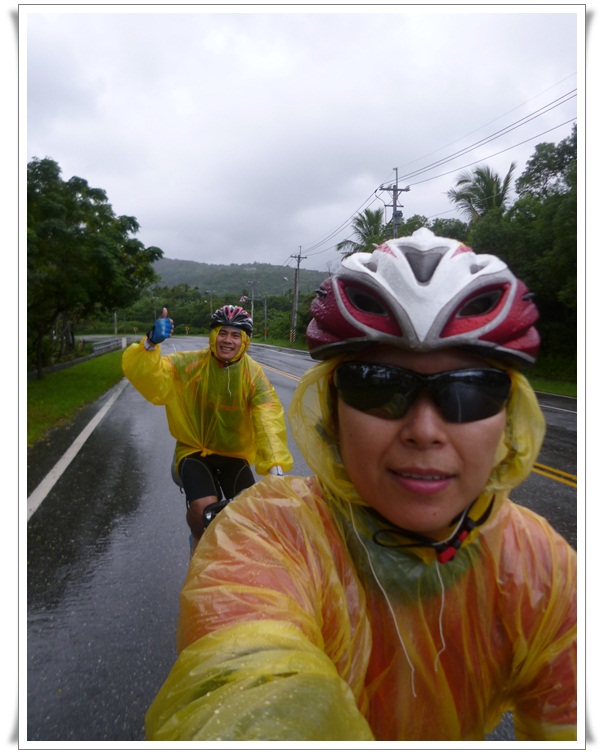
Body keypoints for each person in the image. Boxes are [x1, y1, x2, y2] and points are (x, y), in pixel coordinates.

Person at [144, 228, 577, 741]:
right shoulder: (267, 536)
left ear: (510, 418)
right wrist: (147, 350)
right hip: (195, 450)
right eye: (378, 385)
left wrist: (277, 459)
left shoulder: (541, 570)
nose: (424, 432)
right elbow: (244, 688)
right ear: (330, 412)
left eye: (470, 391)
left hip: (236, 455)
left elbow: (265, 413)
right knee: (207, 512)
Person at [122, 304, 293, 551]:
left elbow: (268, 419)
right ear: (213, 336)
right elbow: (152, 375)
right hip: (194, 450)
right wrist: (150, 343)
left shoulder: (254, 376)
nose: (228, 340)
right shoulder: (190, 364)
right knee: (203, 508)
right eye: (222, 333)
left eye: (236, 335)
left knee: (250, 515)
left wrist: (276, 471)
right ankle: (198, 540)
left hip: (234, 455)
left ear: (245, 341)